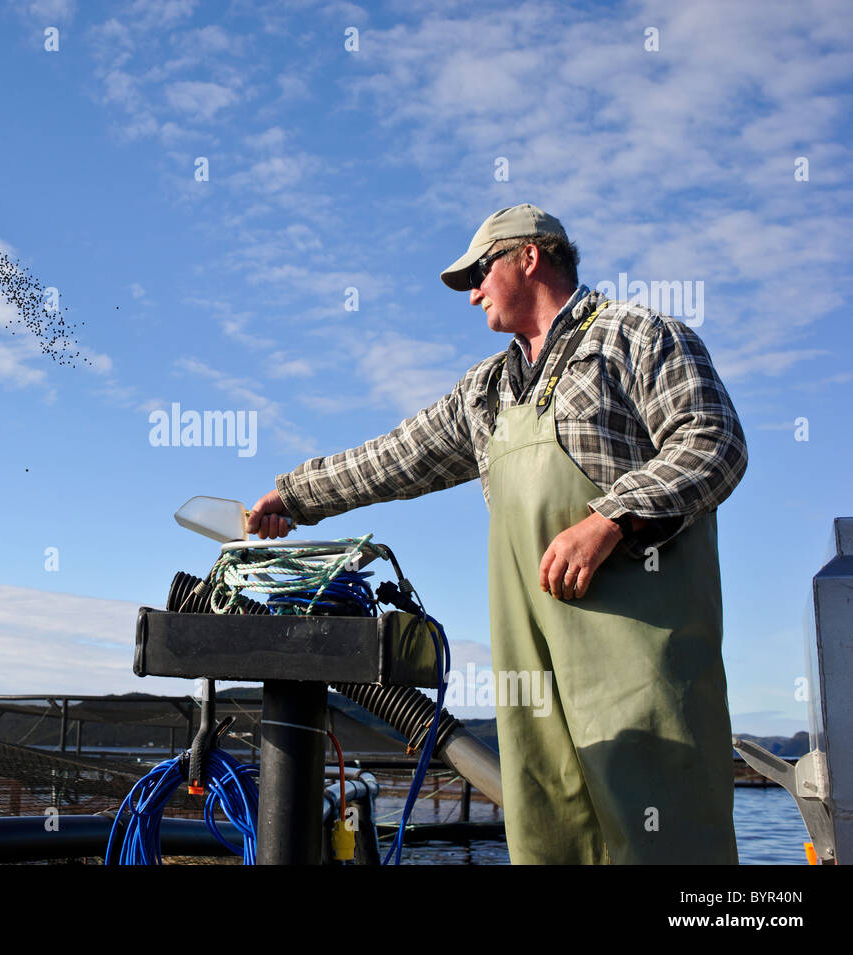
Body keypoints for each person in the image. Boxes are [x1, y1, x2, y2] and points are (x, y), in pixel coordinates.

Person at [247, 203, 747, 864]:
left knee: (661, 830)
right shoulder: (488, 391)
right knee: (545, 830)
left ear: (530, 256)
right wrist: (295, 494)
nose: (474, 290)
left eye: (480, 271)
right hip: (531, 673)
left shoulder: (638, 336)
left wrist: (611, 518)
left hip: (638, 666)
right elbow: (396, 456)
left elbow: (714, 442)